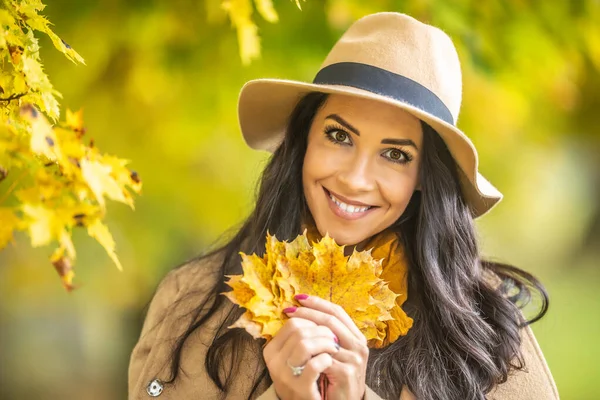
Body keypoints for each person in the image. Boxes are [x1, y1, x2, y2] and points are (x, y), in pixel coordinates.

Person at [128, 12, 559, 400]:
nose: (354, 179)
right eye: (339, 136)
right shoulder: (191, 299)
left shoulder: (480, 328)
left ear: (425, 176)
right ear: (304, 140)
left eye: (395, 154)